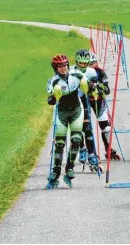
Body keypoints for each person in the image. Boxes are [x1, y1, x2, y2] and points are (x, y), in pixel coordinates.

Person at [75, 50, 121, 171]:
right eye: (90, 63)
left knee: (106, 128)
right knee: (84, 128)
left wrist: (99, 88)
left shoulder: (100, 72)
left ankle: (108, 149)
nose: (93, 65)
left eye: (94, 62)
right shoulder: (78, 73)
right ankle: (84, 149)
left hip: (98, 101)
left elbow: (107, 90)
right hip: (83, 101)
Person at [46, 54, 87, 189]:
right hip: (61, 112)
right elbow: (50, 98)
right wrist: (52, 98)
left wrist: (92, 87)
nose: (63, 69)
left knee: (76, 139)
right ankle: (55, 171)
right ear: (55, 68)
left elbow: (89, 83)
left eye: (65, 65)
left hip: (76, 110)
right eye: (60, 67)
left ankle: (69, 168)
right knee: (59, 143)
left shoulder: (76, 75)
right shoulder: (53, 81)